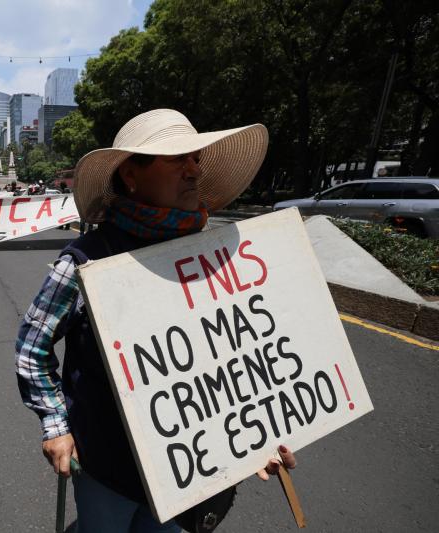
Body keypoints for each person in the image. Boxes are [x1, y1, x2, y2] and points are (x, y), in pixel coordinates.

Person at [15, 109, 296, 533]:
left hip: (190, 469)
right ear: (131, 174)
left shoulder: (216, 258)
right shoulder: (85, 261)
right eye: (176, 158)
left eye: (196, 158)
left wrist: (260, 435)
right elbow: (32, 349)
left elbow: (236, 356)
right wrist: (56, 427)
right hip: (107, 467)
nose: (193, 170)